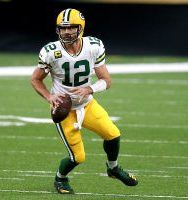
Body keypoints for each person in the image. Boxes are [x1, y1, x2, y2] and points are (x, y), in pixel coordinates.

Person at [30, 8, 138, 194]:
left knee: (113, 134)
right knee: (78, 157)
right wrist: (50, 97)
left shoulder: (93, 46)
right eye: (62, 28)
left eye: (71, 27)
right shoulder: (50, 51)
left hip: (87, 104)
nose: (66, 32)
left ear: (81, 28)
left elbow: (106, 81)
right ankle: (60, 178)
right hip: (64, 109)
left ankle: (113, 168)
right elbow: (35, 79)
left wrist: (90, 88)